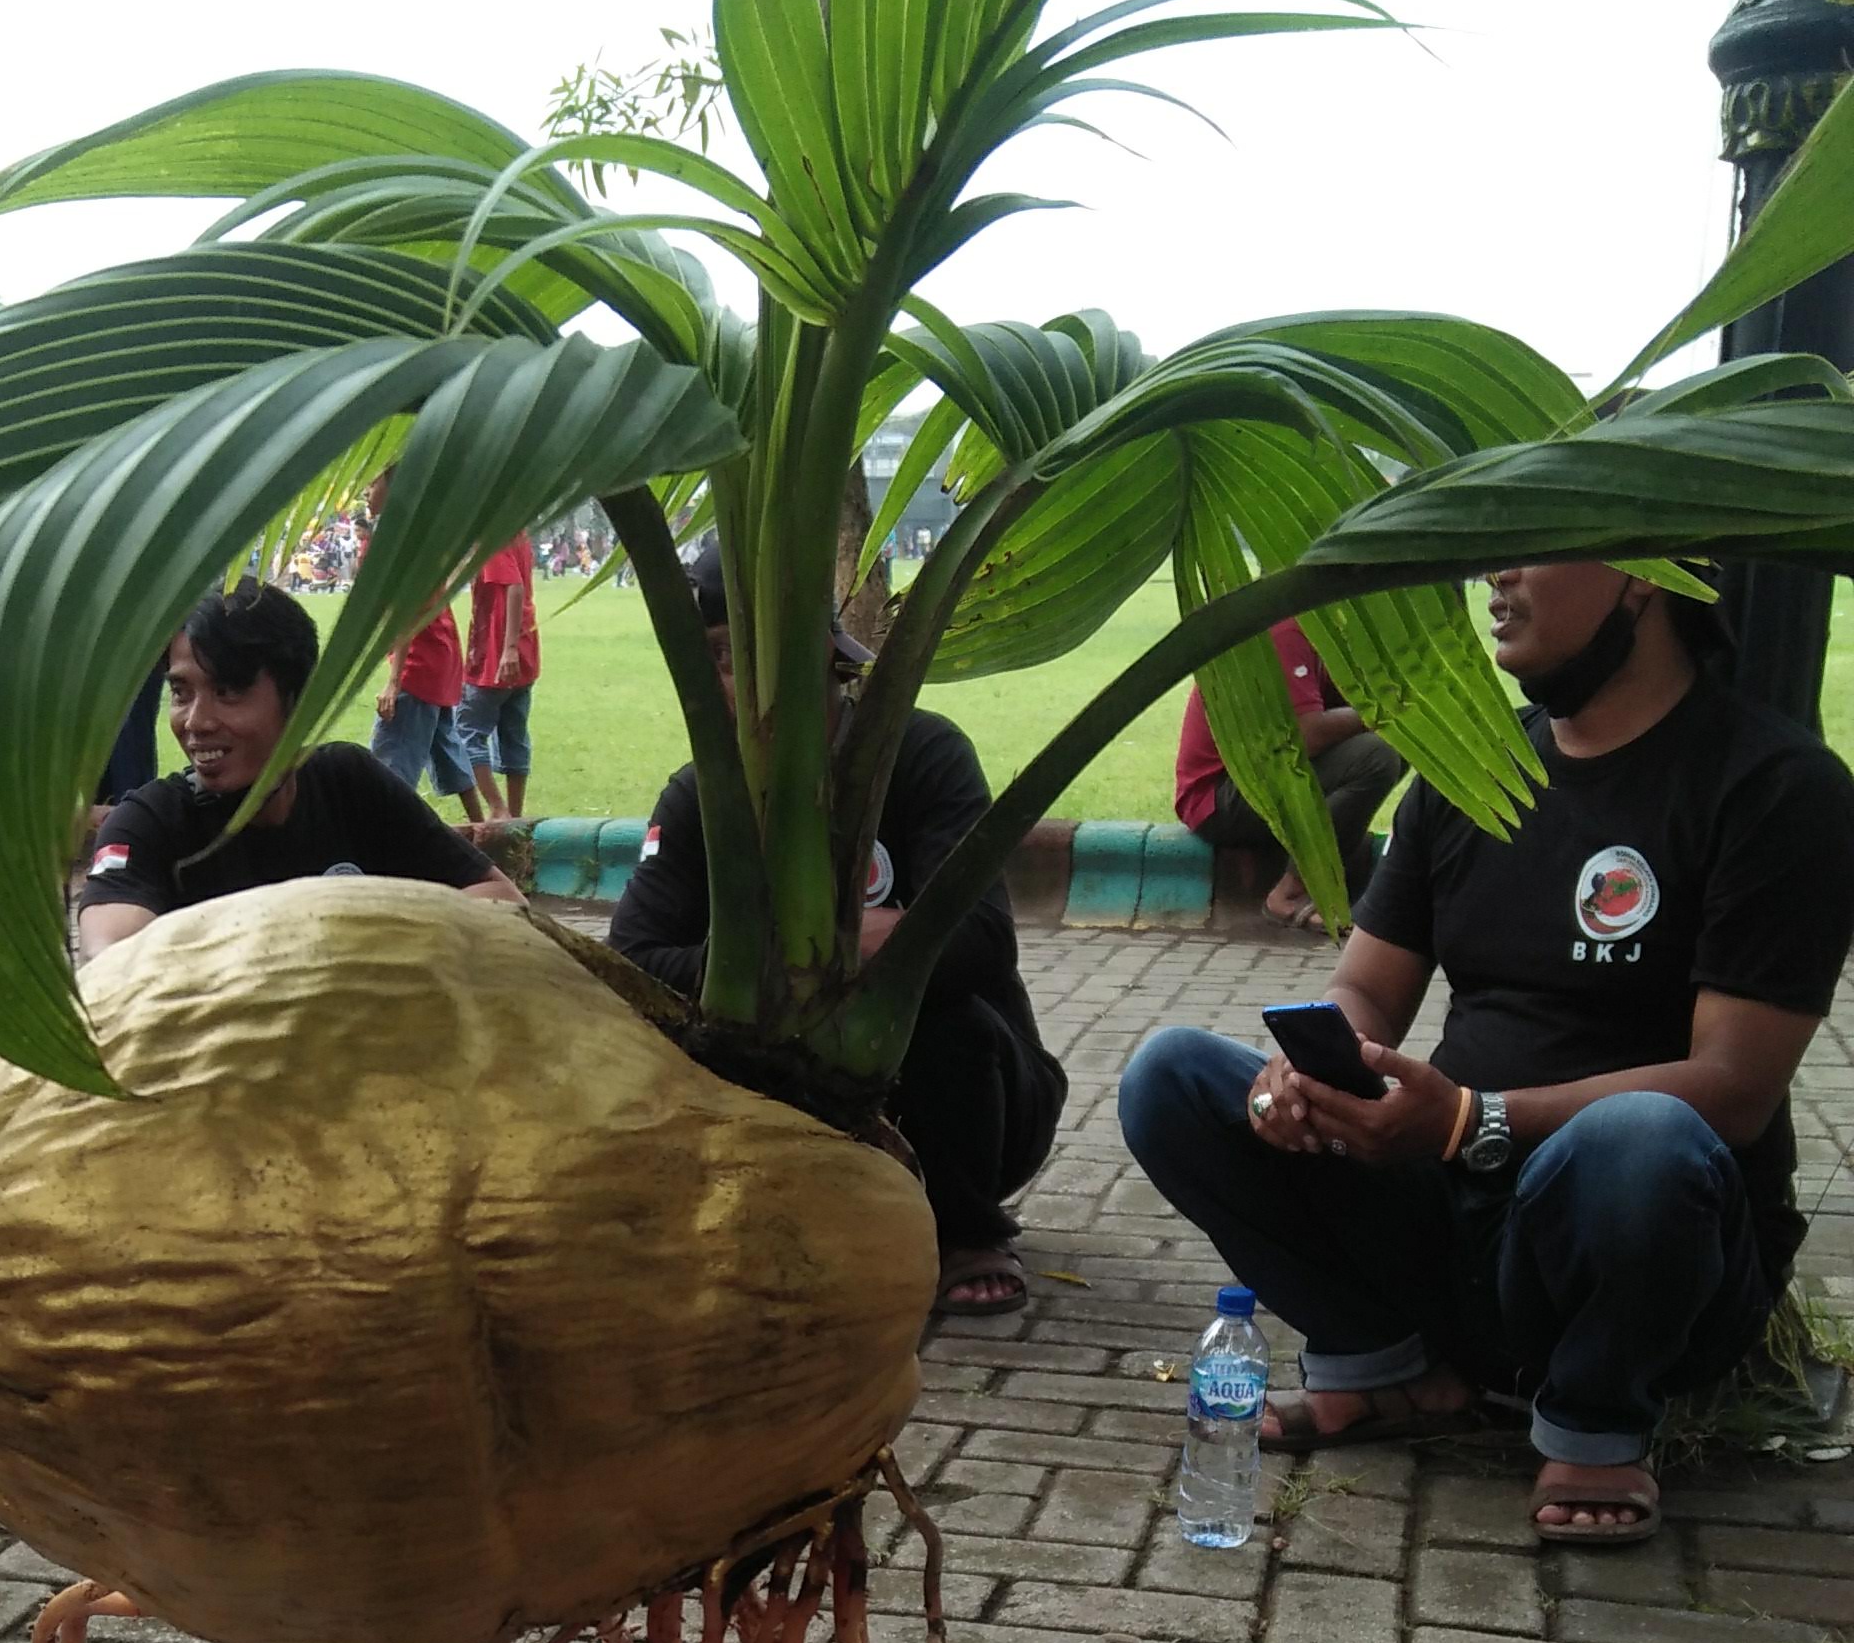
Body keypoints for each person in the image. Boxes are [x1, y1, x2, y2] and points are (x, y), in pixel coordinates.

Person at [1118, 562, 1854, 1546]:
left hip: (1639, 1248)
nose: (1496, 574)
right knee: (1171, 1077)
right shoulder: (1473, 769)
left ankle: (1596, 1419)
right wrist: (1310, 1073)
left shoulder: (1775, 787)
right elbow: (1366, 988)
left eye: (1536, 545)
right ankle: (1384, 1371)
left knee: (1644, 1139)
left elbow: (1735, 1089)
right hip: (1449, 1222)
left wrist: (1471, 1120)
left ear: (1642, 578)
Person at [608, 540, 1066, 1316]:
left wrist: (820, 957)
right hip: (798, 1097)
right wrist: (772, 968)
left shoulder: (920, 754)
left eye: (742, 656)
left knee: (933, 1008)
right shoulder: (699, 801)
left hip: (982, 1104)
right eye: (708, 659)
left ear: (821, 653)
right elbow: (635, 960)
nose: (728, 684)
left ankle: (966, 1232)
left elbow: (982, 943)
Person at [77, 577, 522, 961]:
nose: (196, 721)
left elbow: (500, 902)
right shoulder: (148, 823)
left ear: (301, 703)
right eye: (181, 693)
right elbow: (111, 959)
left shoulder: (350, 785)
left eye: (228, 691)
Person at [1174, 621, 1403, 931]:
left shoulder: (1328, 631)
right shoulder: (1283, 630)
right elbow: (1309, 734)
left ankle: (1331, 851)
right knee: (1377, 756)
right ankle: (1292, 892)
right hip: (1217, 795)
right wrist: (1384, 710)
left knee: (1399, 742)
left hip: (1263, 775)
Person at [362, 472, 491, 818]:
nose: (367, 491)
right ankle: (481, 830)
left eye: (373, 483)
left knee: (389, 765)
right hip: (439, 657)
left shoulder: (404, 539)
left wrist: (394, 682)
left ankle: (388, 839)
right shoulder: (419, 531)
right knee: (447, 748)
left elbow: (407, 611)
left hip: (419, 664)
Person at [458, 532, 539, 820]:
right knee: (514, 733)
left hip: (495, 655)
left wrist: (508, 649)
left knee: (466, 731)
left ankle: (498, 810)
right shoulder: (518, 533)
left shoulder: (494, 536)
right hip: (524, 650)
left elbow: (514, 586)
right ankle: (515, 816)